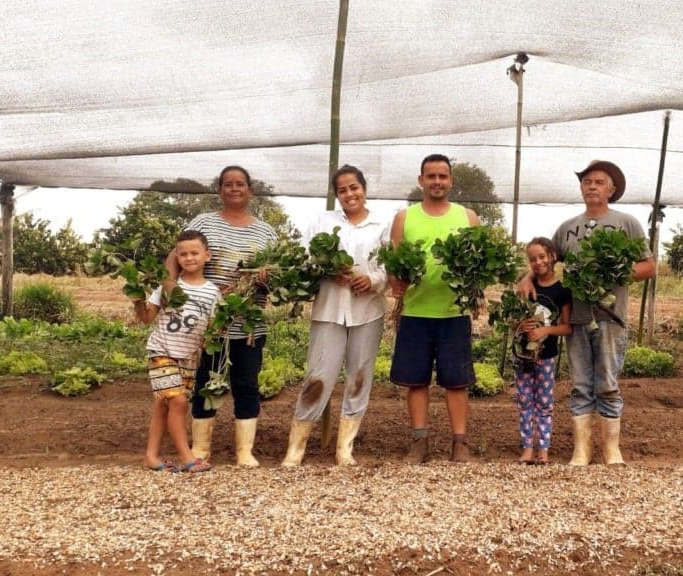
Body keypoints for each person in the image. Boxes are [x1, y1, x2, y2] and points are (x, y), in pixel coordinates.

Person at [518, 160, 655, 466]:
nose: (592, 186)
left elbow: (649, 266)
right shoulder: (568, 228)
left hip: (611, 317)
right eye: (587, 182)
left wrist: (616, 272)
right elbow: (545, 260)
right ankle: (582, 450)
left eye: (599, 182)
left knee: (607, 384)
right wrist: (526, 277)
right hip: (577, 319)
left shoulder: (627, 223)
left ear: (611, 190)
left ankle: (611, 450)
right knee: (580, 384)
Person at [168, 165, 279, 467]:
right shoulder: (203, 222)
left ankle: (245, 451)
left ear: (250, 190)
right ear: (219, 190)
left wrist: (267, 277)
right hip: (209, 324)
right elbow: (177, 256)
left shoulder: (266, 232)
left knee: (247, 383)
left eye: (240, 184)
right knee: (206, 381)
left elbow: (276, 279)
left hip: (249, 324)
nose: (234, 188)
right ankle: (201, 449)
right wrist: (170, 290)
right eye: (228, 184)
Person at [281, 165, 390, 467]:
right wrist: (327, 271)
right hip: (329, 310)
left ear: (364, 189)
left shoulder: (381, 225)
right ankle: (295, 449)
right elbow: (305, 259)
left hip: (367, 311)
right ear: (336, 194)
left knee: (359, 377)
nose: (349, 194)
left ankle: (344, 449)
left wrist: (372, 280)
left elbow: (388, 268)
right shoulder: (322, 221)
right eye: (342, 190)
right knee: (318, 376)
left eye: (354, 187)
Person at [388, 153, 481, 463]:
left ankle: (460, 443)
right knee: (416, 381)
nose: (437, 181)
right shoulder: (405, 217)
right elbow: (393, 263)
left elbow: (481, 262)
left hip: (454, 312)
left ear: (451, 181)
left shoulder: (468, 217)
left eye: (443, 176)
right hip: (415, 312)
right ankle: (419, 441)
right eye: (431, 176)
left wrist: (474, 281)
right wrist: (396, 281)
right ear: (421, 180)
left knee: (457, 382)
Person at [135, 230, 220, 473]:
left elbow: (213, 327)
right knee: (179, 402)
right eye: (183, 254)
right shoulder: (167, 287)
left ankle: (152, 456)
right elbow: (146, 318)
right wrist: (137, 301)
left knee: (164, 404)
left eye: (194, 253)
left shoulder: (213, 292)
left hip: (189, 357)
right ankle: (187, 458)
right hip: (161, 351)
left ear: (207, 255)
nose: (189, 258)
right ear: (176, 257)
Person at [514, 237, 572, 465]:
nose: (538, 262)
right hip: (523, 355)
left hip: (546, 357)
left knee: (545, 404)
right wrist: (521, 325)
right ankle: (527, 448)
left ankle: (544, 449)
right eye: (532, 259)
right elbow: (513, 320)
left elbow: (567, 327)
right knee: (524, 402)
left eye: (541, 257)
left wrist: (545, 330)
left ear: (551, 257)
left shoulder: (562, 291)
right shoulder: (526, 287)